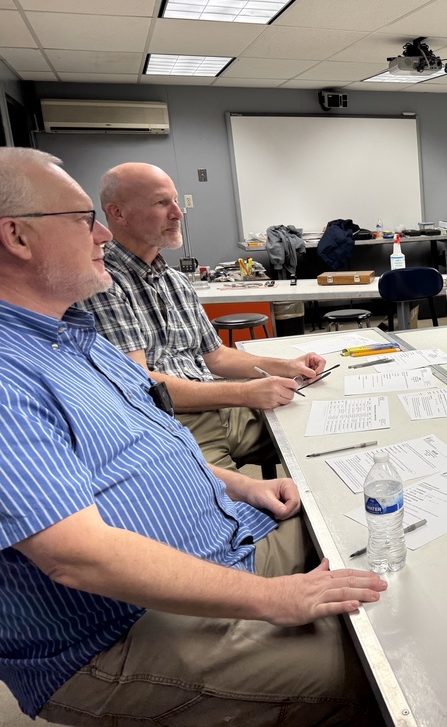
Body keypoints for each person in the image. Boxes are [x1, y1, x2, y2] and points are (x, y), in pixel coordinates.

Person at [0, 148, 388, 725]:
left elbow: (147, 445)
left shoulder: (73, 335)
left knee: (368, 529)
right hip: (118, 630)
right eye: (84, 220)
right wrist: (274, 600)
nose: (101, 234)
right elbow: (75, 559)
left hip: (228, 540)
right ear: (17, 237)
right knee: (373, 673)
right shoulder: (10, 374)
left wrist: (237, 485)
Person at [78, 162, 324, 473]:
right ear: (117, 213)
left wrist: (286, 366)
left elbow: (216, 357)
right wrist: (246, 392)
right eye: (160, 203)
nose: (178, 214)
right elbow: (139, 384)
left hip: (220, 405)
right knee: (238, 513)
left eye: (176, 201)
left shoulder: (175, 281)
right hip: (173, 423)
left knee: (320, 436)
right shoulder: (104, 283)